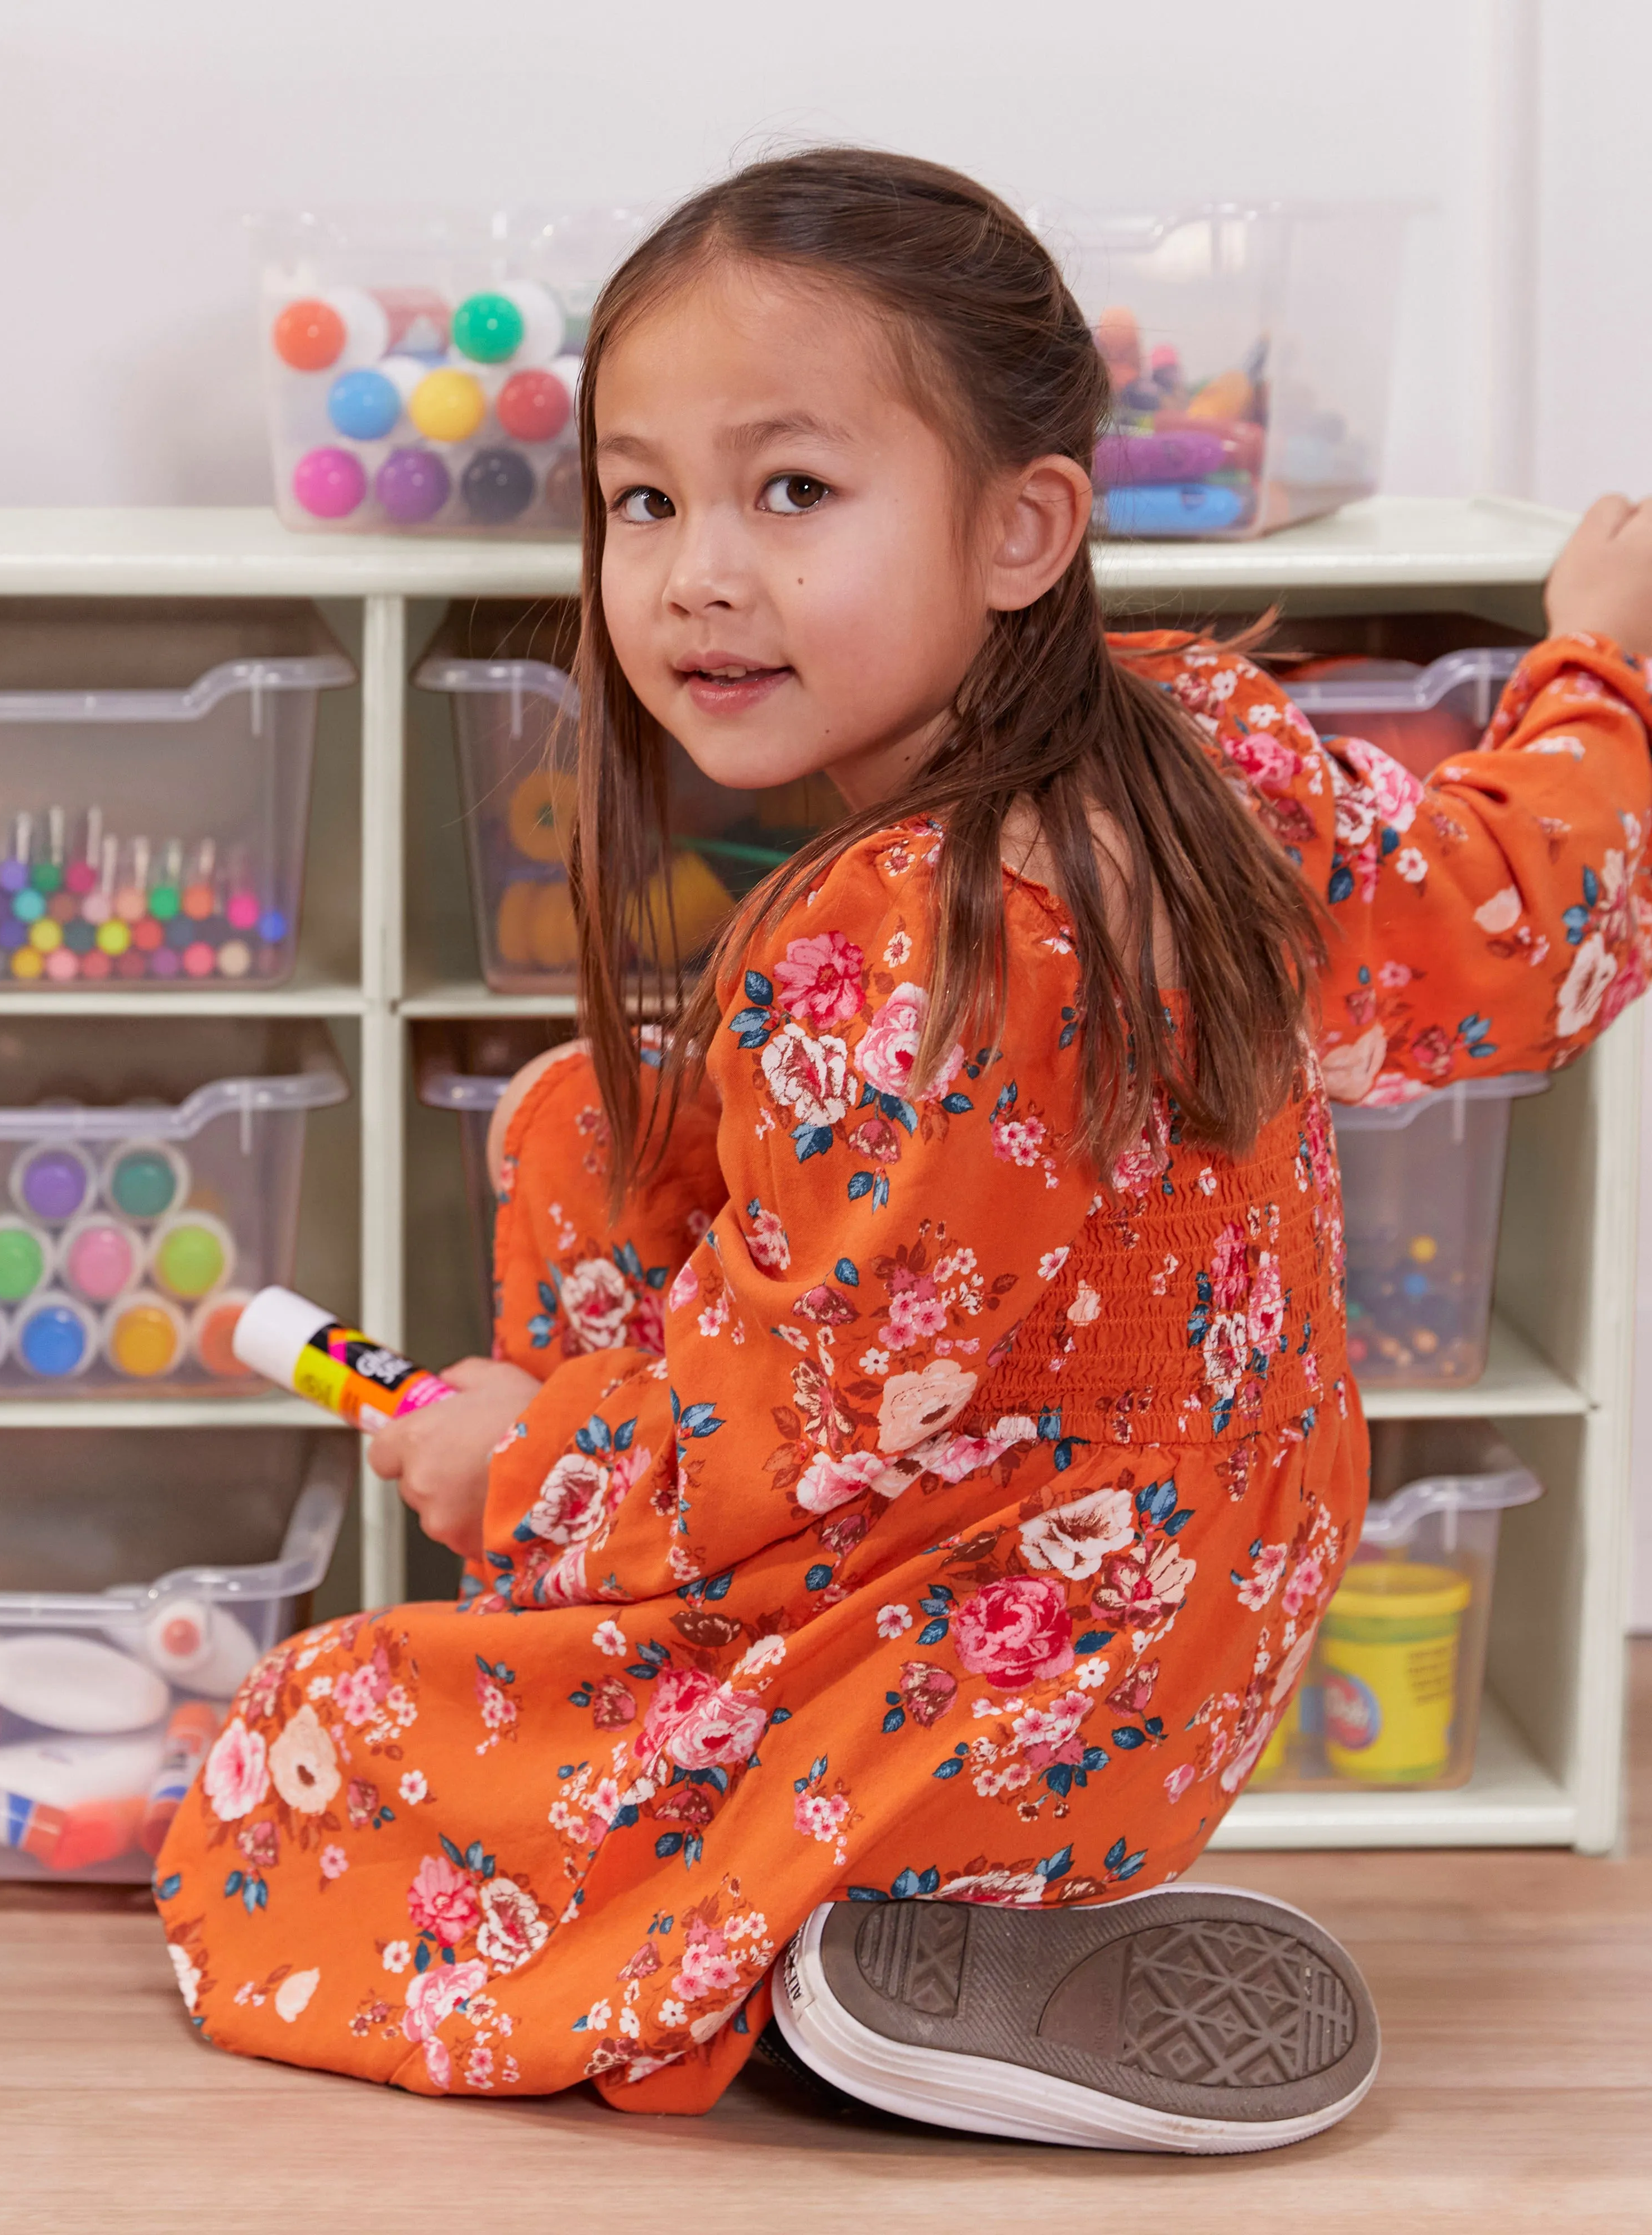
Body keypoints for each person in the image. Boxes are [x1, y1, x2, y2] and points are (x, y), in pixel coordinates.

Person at [156, 148, 1652, 2151]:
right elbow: (1526, 912)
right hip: (1204, 1593)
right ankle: (889, 1902)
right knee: (596, 1122)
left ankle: (839, 1950)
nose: (696, 572)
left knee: (308, 1758)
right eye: (644, 498)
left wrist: (512, 1456)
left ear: (1023, 529)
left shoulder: (914, 955)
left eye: (793, 492)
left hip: (1014, 1659)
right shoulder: (1211, 740)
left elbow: (796, 1415)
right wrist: (1599, 666)